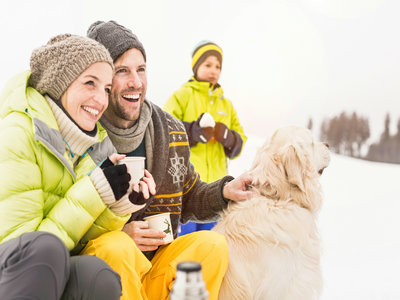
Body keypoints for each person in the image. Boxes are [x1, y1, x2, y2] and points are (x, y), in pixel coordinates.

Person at [87, 20, 254, 300]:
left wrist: (224, 191)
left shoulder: (168, 129)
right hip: (109, 268)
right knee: (116, 247)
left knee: (212, 245)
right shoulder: (85, 127)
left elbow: (188, 193)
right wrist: (122, 232)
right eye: (122, 71)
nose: (136, 82)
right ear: (101, 79)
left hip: (158, 264)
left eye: (141, 69)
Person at [0, 34, 155, 299]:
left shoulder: (92, 147)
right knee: (47, 249)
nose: (100, 99)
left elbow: (80, 241)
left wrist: (118, 204)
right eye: (89, 83)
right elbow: (23, 251)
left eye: (106, 88)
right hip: (12, 271)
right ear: (61, 84)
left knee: (97, 274)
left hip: (50, 266)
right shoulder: (19, 132)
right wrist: (94, 191)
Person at [164, 40, 247, 235]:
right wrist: (193, 132)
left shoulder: (226, 105)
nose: (213, 70)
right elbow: (165, 131)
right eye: (207, 65)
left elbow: (239, 144)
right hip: (187, 190)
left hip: (218, 192)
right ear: (196, 67)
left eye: (217, 66)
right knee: (185, 246)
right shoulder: (181, 96)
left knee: (212, 245)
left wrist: (227, 136)